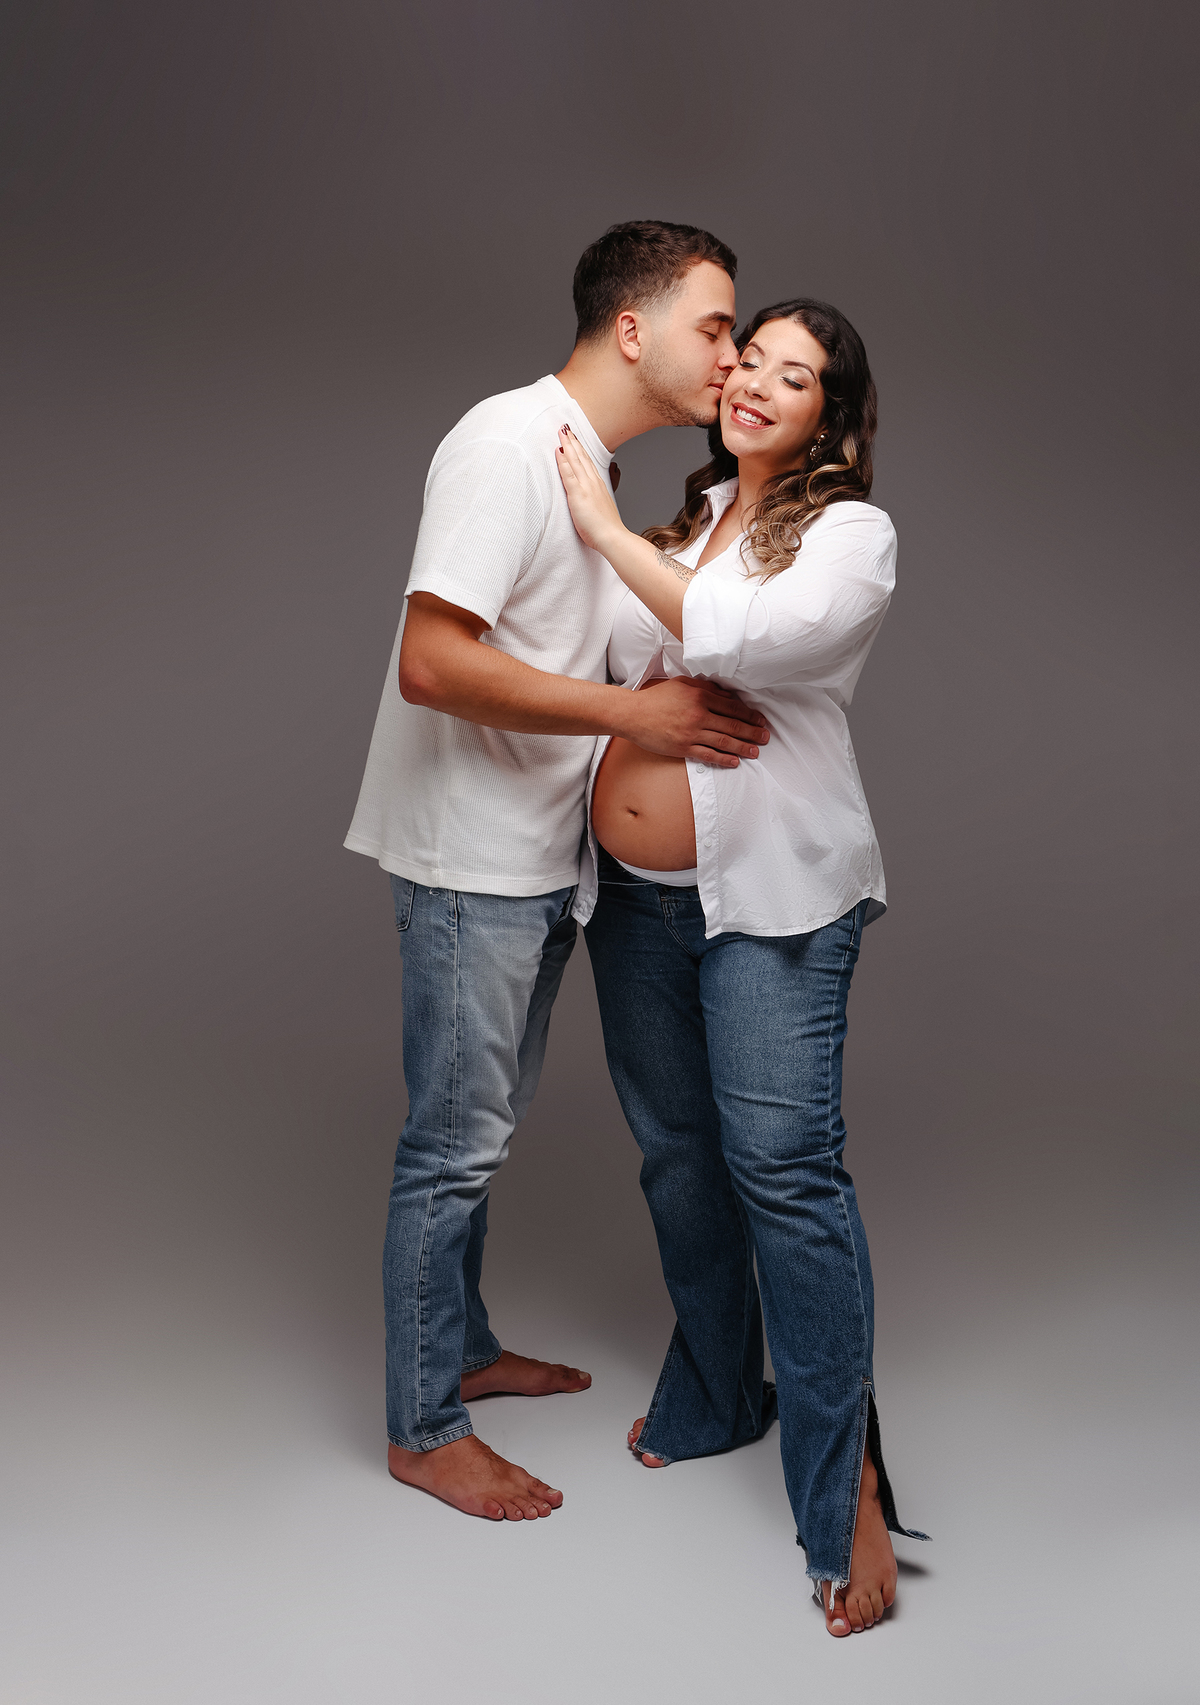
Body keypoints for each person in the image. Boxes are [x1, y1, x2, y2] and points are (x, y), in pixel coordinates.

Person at [344, 222, 771, 1524]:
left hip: (537, 860)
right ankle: (424, 1426)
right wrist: (632, 718)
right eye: (715, 326)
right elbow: (433, 661)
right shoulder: (507, 442)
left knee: (481, 1131)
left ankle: (462, 1347)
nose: (733, 354)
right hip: (471, 858)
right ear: (631, 329)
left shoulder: (586, 462)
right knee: (452, 1145)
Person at [554, 297, 928, 1633]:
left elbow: (745, 643)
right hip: (635, 905)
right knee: (678, 1156)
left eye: (797, 374)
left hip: (772, 903)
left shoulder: (849, 536)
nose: (758, 382)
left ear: (833, 416)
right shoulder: (688, 524)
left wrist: (600, 530)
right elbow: (620, 674)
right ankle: (718, 1389)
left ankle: (849, 1486)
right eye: (749, 359)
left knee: (785, 1174)